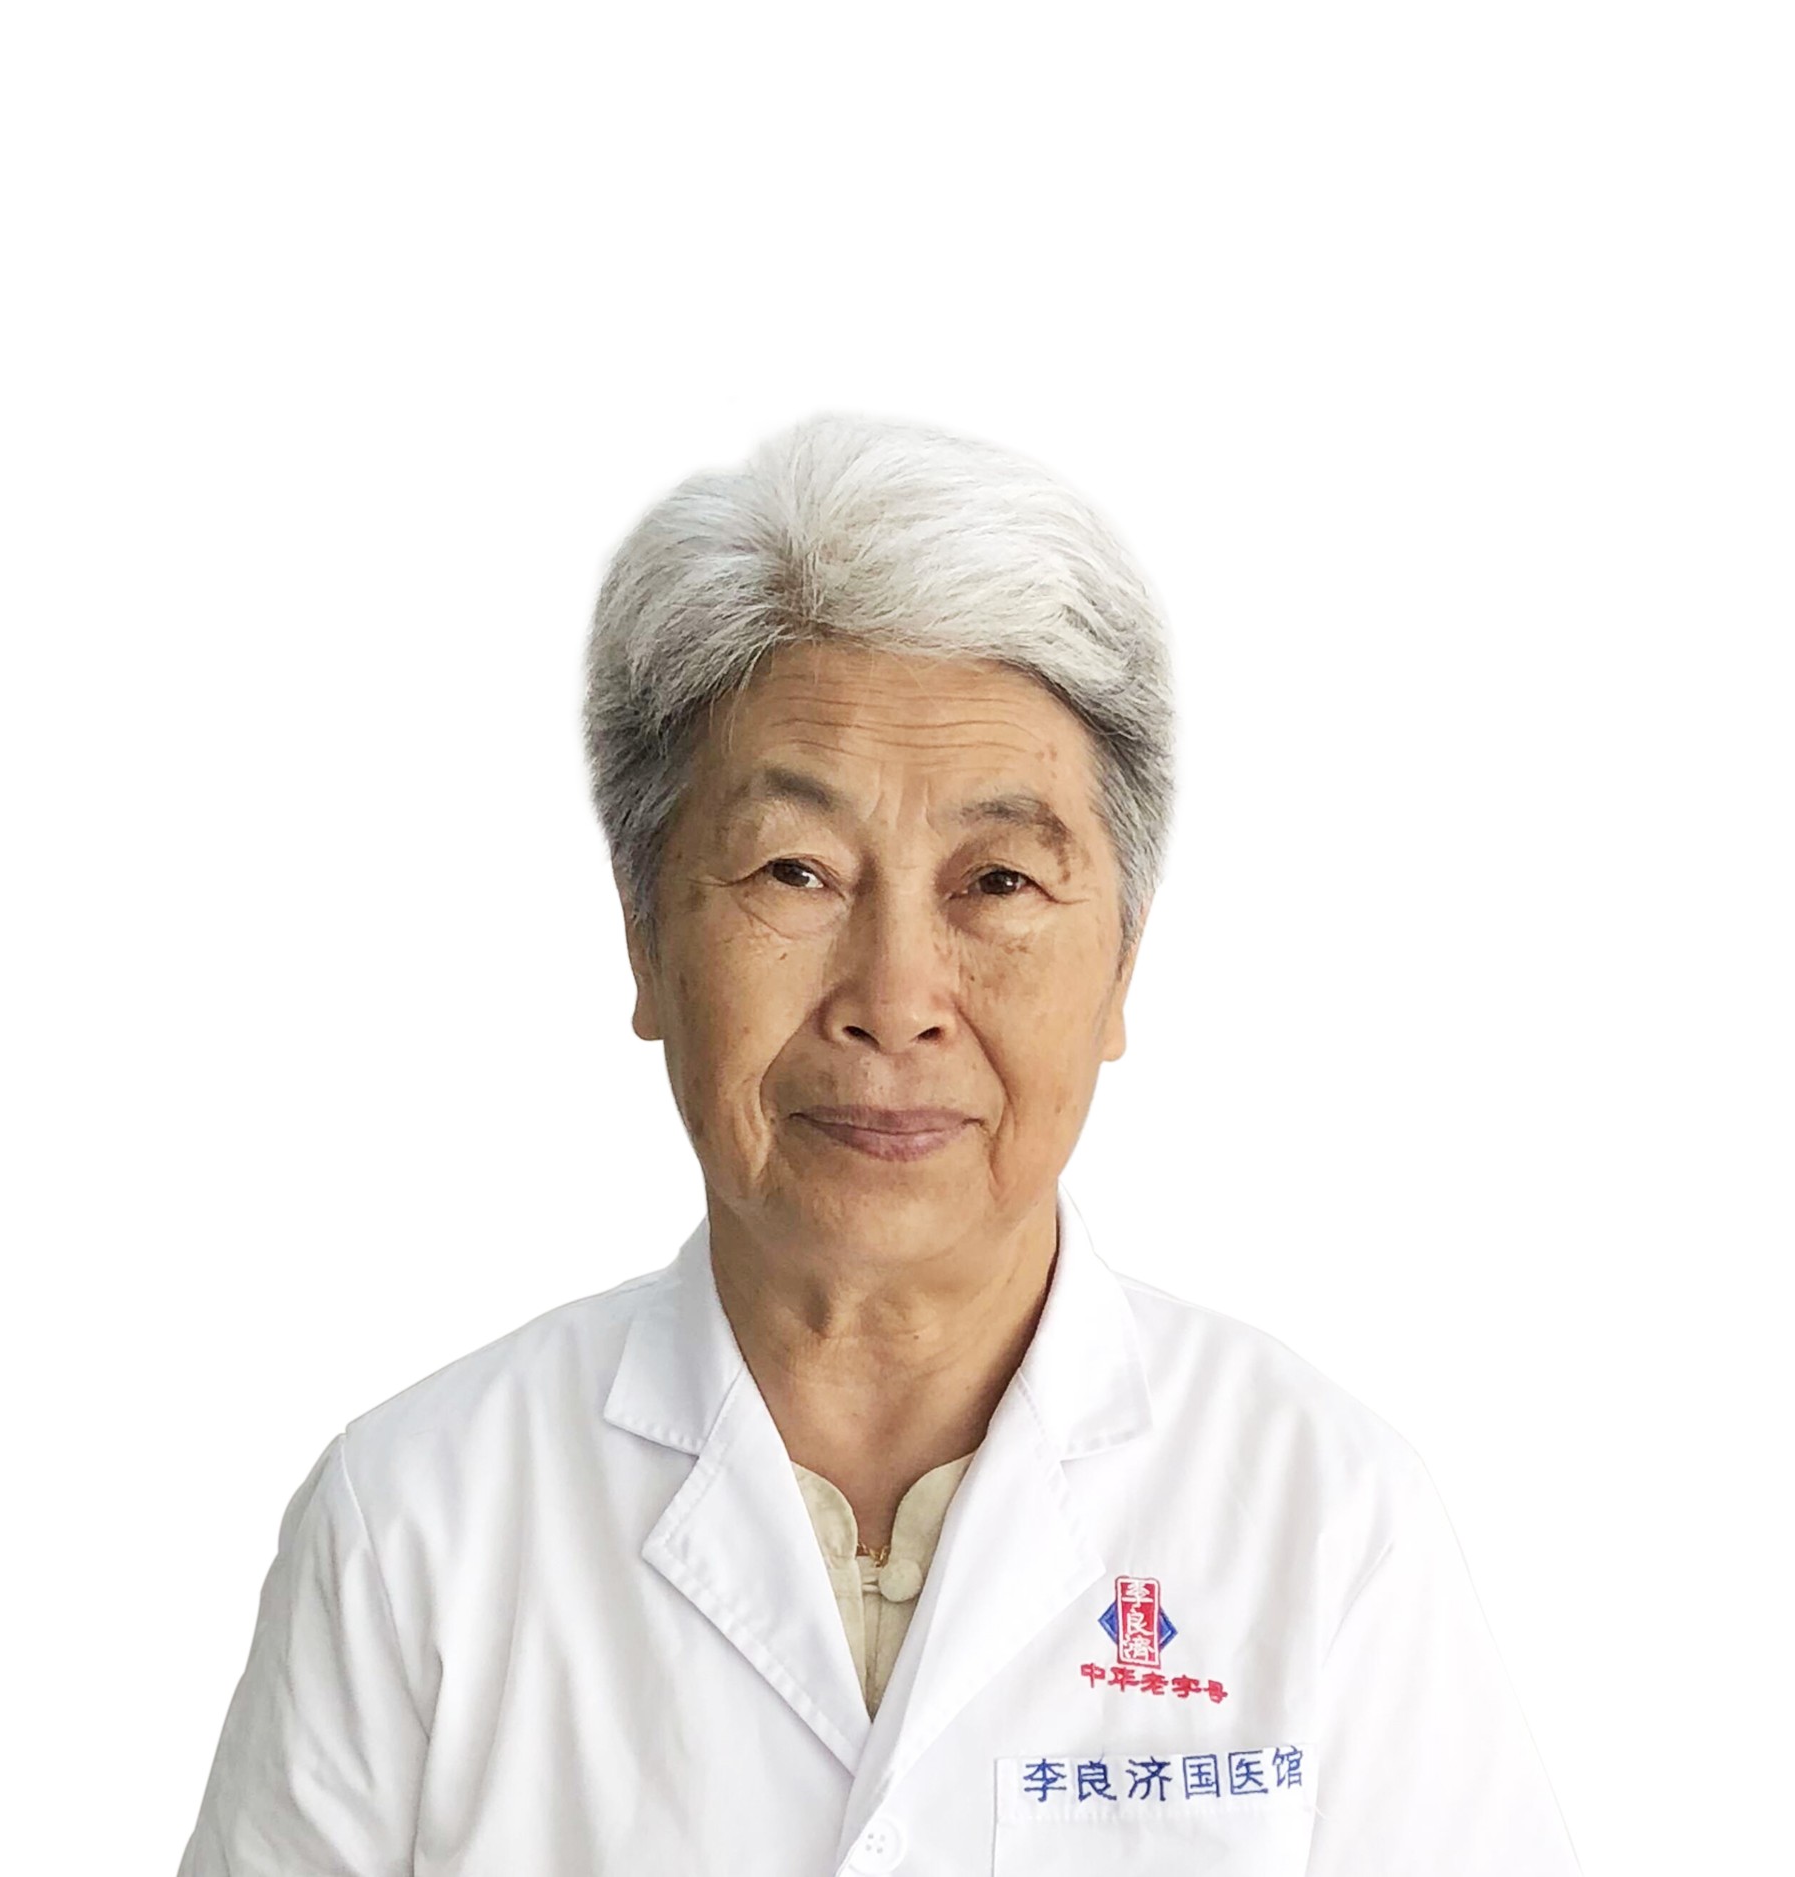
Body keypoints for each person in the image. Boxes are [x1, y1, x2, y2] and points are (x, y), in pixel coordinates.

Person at [177, 414, 1581, 1875]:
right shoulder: (416, 1522)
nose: (895, 997)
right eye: (796, 870)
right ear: (644, 938)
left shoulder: (1325, 1518)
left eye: (998, 881)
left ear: (1122, 962)